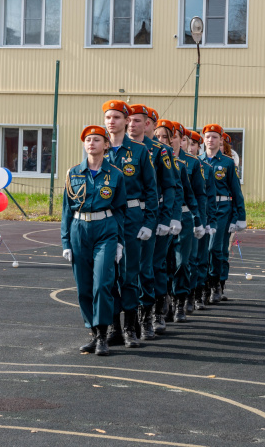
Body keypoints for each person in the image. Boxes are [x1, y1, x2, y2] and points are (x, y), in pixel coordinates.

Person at [61, 125, 127, 356]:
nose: (91, 143)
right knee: (84, 287)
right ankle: (92, 332)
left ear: (106, 145)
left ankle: (102, 336)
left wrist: (119, 242)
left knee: (102, 283)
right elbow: (66, 210)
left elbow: (120, 210)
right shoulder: (73, 174)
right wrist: (66, 242)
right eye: (88, 139)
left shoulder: (116, 174)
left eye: (97, 139)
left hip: (105, 229)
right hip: (79, 229)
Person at [102, 100, 158, 348]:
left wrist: (149, 222)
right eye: (108, 118)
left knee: (129, 275)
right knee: (108, 275)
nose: (111, 122)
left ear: (126, 121)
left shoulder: (139, 151)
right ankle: (113, 327)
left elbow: (152, 190)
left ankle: (130, 328)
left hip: (133, 218)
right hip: (105, 219)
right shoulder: (98, 148)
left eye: (116, 117)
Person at [131, 105, 180, 335]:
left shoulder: (160, 151)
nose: (132, 124)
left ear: (148, 123)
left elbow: (170, 187)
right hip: (129, 215)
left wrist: (166, 218)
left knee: (153, 266)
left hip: (155, 215)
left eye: (138, 121)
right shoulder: (120, 148)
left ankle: (154, 313)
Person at [155, 120, 205, 322]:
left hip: (184, 216)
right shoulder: (154, 159)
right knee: (162, 262)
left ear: (179, 139)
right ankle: (163, 301)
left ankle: (180, 301)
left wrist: (200, 220)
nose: (163, 140)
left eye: (169, 137)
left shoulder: (189, 163)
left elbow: (197, 194)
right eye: (158, 136)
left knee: (182, 262)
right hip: (161, 215)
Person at [200, 124, 246, 303]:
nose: (210, 140)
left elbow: (236, 191)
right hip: (204, 210)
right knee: (203, 251)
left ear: (220, 141)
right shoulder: (198, 161)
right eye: (208, 137)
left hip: (222, 210)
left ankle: (216, 284)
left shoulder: (227, 163)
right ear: (203, 139)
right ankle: (204, 286)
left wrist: (239, 216)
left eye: (214, 137)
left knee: (215, 249)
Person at [186, 130, 217, 309]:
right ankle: (186, 294)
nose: (189, 147)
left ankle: (198, 292)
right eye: (186, 143)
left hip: (201, 216)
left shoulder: (206, 168)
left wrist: (210, 221)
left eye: (192, 144)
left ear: (199, 147)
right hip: (184, 215)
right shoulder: (177, 163)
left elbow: (209, 197)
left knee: (199, 257)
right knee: (185, 260)